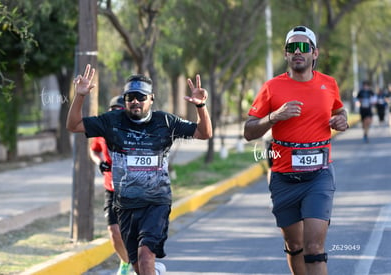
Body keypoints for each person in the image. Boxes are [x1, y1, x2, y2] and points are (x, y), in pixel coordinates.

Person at [67, 64, 212, 275]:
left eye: (141, 97)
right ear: (125, 99)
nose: (135, 101)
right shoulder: (112, 121)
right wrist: (79, 96)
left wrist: (201, 106)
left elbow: (204, 132)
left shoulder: (165, 121)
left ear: (151, 99)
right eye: (130, 96)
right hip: (125, 206)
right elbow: (73, 125)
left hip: (156, 203)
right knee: (137, 266)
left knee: (145, 258)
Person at [244, 26, 348, 275]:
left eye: (304, 47)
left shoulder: (329, 84)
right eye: (292, 47)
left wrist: (342, 119)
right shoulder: (272, 87)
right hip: (284, 178)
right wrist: (275, 116)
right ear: (285, 54)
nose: (298, 52)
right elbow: (249, 132)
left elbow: (339, 111)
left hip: (319, 176)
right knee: (295, 245)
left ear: (315, 53)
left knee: (314, 248)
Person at [89, 95, 132, 275]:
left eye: (120, 111)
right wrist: (99, 162)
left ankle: (139, 263)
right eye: (112, 111)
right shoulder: (102, 130)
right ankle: (125, 262)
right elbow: (94, 151)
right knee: (114, 232)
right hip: (111, 188)